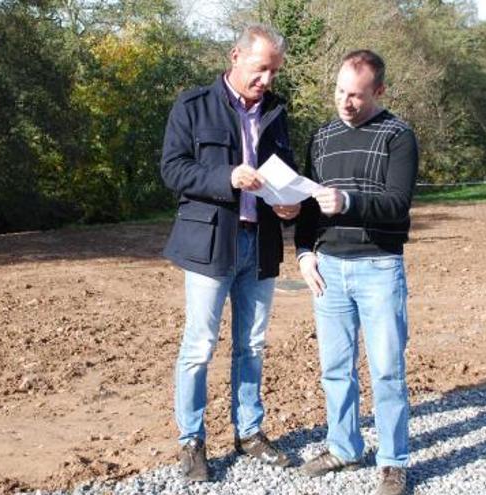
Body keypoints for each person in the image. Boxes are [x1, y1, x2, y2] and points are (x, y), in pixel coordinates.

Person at [160, 24, 301, 482]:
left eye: (273, 72)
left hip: (260, 245)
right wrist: (228, 178)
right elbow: (174, 170)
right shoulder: (193, 105)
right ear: (235, 56)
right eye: (261, 69)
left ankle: (250, 433)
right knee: (199, 347)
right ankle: (192, 442)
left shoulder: (277, 112)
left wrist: (289, 203)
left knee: (253, 346)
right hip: (210, 244)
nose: (267, 80)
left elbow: (288, 171)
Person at [294, 50, 418, 495]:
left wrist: (348, 202)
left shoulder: (398, 135)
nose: (346, 102)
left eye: (357, 96)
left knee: (387, 369)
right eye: (340, 92)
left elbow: (397, 203)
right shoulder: (322, 136)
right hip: (328, 267)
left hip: (379, 266)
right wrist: (304, 252)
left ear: (379, 91)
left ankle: (393, 461)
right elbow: (308, 203)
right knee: (335, 368)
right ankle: (344, 447)